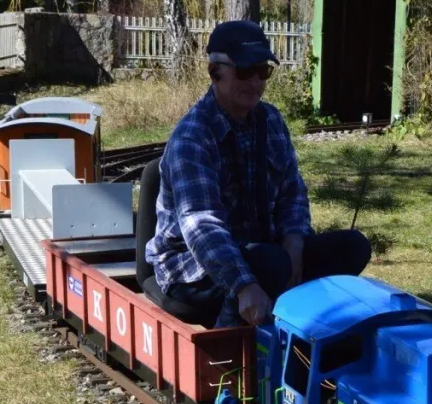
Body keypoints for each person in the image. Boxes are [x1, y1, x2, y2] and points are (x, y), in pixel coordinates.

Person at [145, 20, 371, 327]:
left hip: (262, 250)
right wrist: (244, 284)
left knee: (352, 247)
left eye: (262, 71)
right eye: (243, 72)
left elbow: (293, 192)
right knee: (269, 264)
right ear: (215, 72)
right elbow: (202, 227)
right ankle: (231, 355)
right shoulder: (192, 137)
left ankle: (315, 328)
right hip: (192, 266)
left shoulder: (271, 120)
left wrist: (295, 242)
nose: (255, 82)